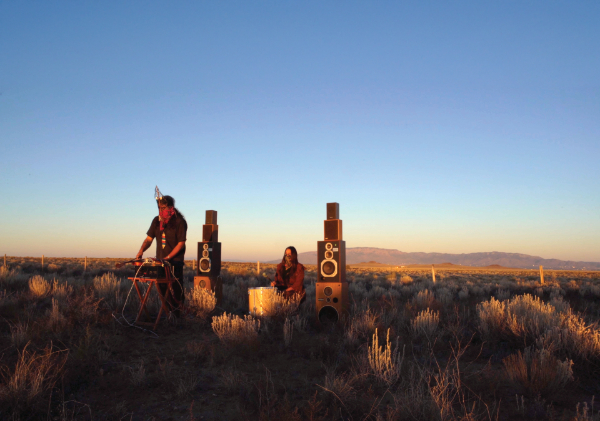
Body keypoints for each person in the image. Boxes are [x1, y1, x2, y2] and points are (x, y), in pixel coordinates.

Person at [136, 193, 187, 314]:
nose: (161, 210)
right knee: (163, 290)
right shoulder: (156, 221)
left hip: (175, 262)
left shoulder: (180, 222)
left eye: (163, 208)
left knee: (176, 290)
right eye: (159, 208)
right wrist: (141, 250)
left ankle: (178, 316)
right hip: (160, 263)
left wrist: (168, 258)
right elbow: (149, 239)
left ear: (171, 208)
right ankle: (168, 315)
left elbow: (181, 244)